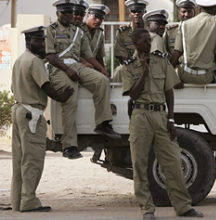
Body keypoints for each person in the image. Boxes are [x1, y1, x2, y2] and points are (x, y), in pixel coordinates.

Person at [122, 28, 204, 220]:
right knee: (140, 165)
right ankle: (147, 209)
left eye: (149, 41)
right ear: (135, 44)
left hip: (161, 116)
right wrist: (144, 71)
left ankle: (183, 207)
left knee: (173, 163)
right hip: (140, 116)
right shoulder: (130, 66)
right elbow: (133, 94)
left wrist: (171, 118)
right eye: (143, 41)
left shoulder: (161, 61)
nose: (148, 44)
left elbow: (169, 91)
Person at [46, 0, 120, 159]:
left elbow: (88, 55)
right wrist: (67, 70)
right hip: (59, 67)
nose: (67, 15)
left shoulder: (78, 32)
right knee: (70, 99)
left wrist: (100, 69)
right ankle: (69, 146)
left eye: (69, 13)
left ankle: (103, 124)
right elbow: (50, 56)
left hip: (77, 66)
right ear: (57, 13)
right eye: (63, 13)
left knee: (102, 81)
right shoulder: (50, 30)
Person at [11, 26, 74, 212]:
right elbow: (46, 86)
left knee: (19, 160)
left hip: (19, 110)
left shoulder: (20, 60)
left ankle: (18, 201)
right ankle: (29, 201)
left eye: (43, 40)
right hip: (32, 113)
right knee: (33, 159)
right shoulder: (35, 62)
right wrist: (63, 96)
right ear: (28, 41)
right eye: (38, 41)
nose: (42, 44)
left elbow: (14, 89)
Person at [171, 0, 216, 88]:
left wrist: (169, 77)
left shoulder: (184, 24)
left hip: (186, 75)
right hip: (205, 77)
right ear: (215, 9)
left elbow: (177, 52)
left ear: (199, 9)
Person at [112, 0, 148, 82]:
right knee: (119, 71)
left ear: (145, 12)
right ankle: (118, 94)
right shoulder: (123, 32)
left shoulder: (151, 30)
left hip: (149, 65)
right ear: (129, 13)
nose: (136, 14)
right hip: (130, 65)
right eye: (133, 11)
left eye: (139, 11)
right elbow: (122, 58)